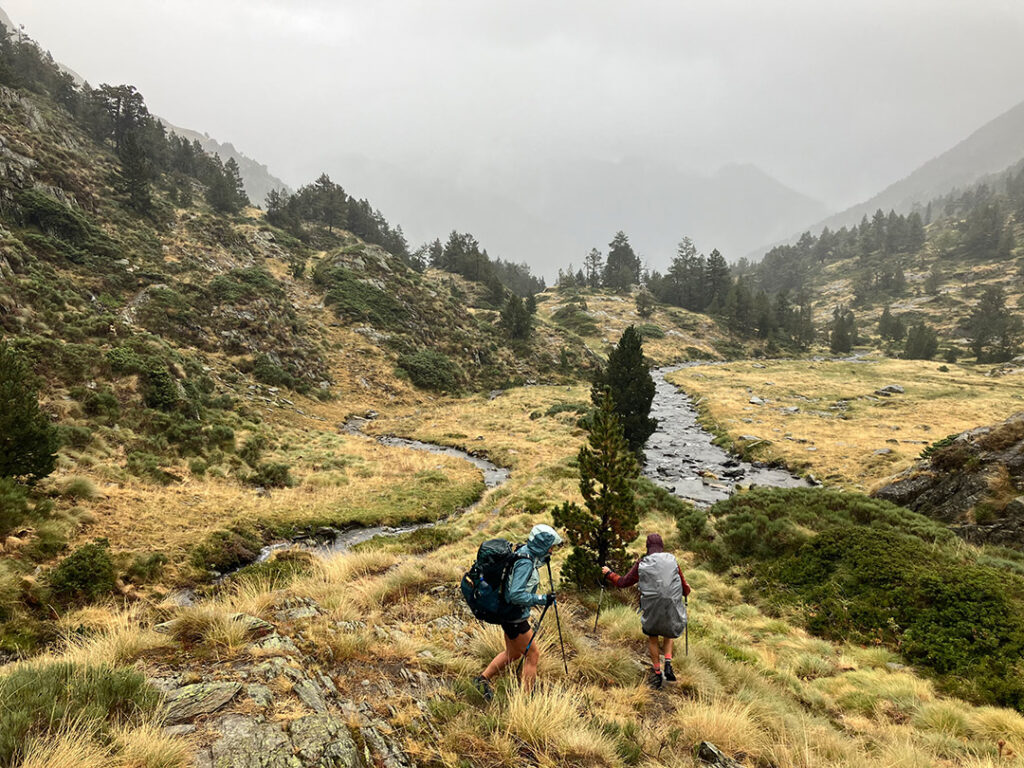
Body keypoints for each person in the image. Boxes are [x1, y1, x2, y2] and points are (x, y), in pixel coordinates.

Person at [473, 524, 563, 699]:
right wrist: (542, 599)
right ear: (542, 545)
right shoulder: (526, 563)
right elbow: (515, 594)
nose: (552, 550)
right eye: (550, 546)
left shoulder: (524, 551)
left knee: (513, 653)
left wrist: (544, 558)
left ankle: (482, 679)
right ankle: (525, 700)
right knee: (533, 655)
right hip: (514, 616)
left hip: (507, 613)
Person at [602, 533, 691, 689]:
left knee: (653, 637)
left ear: (647, 547)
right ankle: (668, 664)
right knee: (668, 632)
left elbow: (623, 583)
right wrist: (685, 592)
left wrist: (609, 574)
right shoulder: (672, 562)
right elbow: (684, 587)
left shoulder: (642, 563)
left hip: (652, 606)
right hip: (671, 604)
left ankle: (657, 673)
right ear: (662, 546)